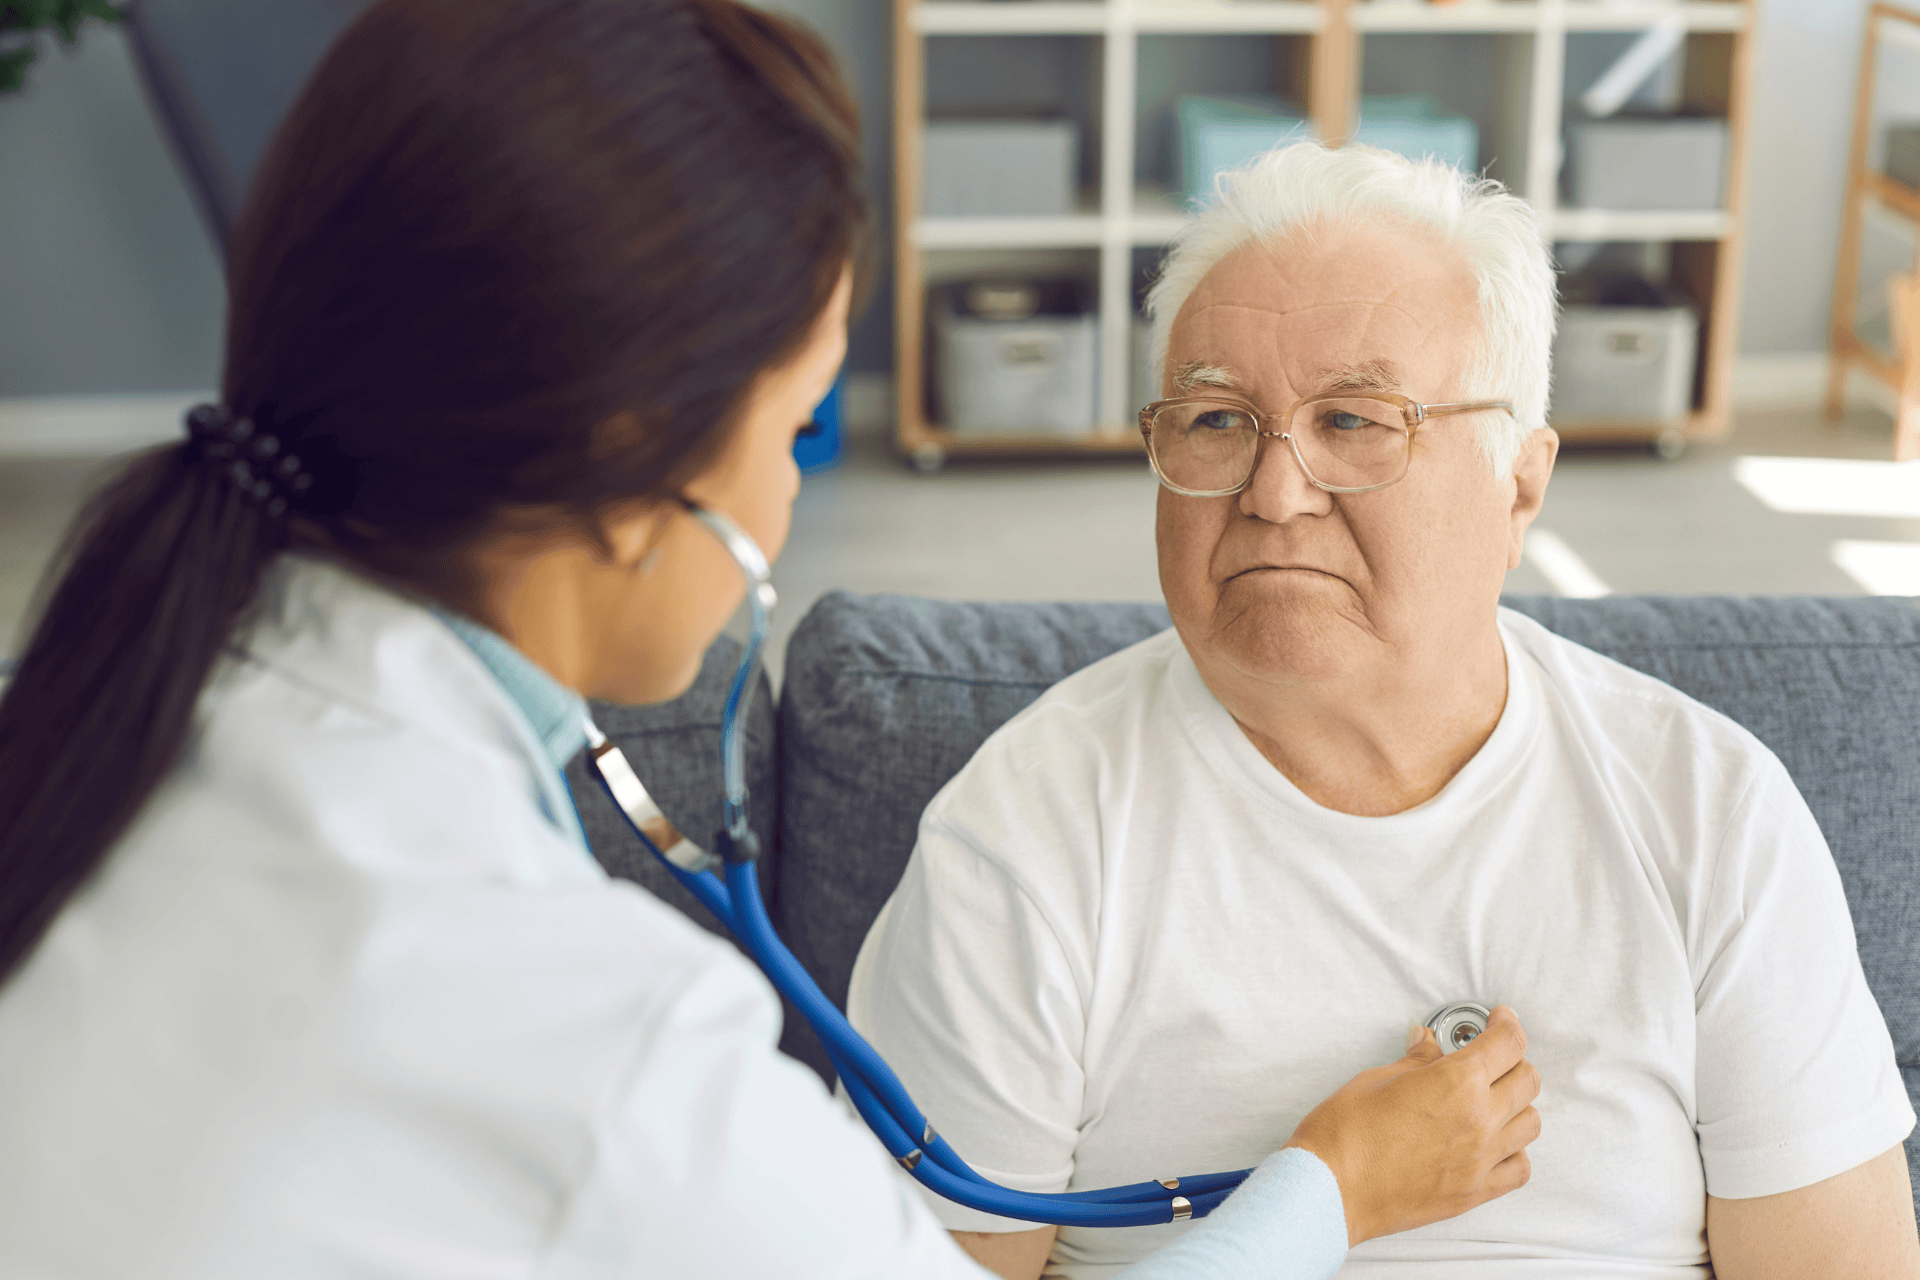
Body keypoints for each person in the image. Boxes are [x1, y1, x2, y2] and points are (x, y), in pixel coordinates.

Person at [0, 4, 1544, 1276]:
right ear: (634, 465)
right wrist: (1333, 1186)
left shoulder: (124, 715)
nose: (787, 499)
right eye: (797, 425)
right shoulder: (598, 1045)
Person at [846, 141, 1920, 1280]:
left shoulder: (1709, 811)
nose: (1272, 491)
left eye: (1354, 421)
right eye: (1214, 421)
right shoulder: (1021, 839)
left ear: (1521, 481)